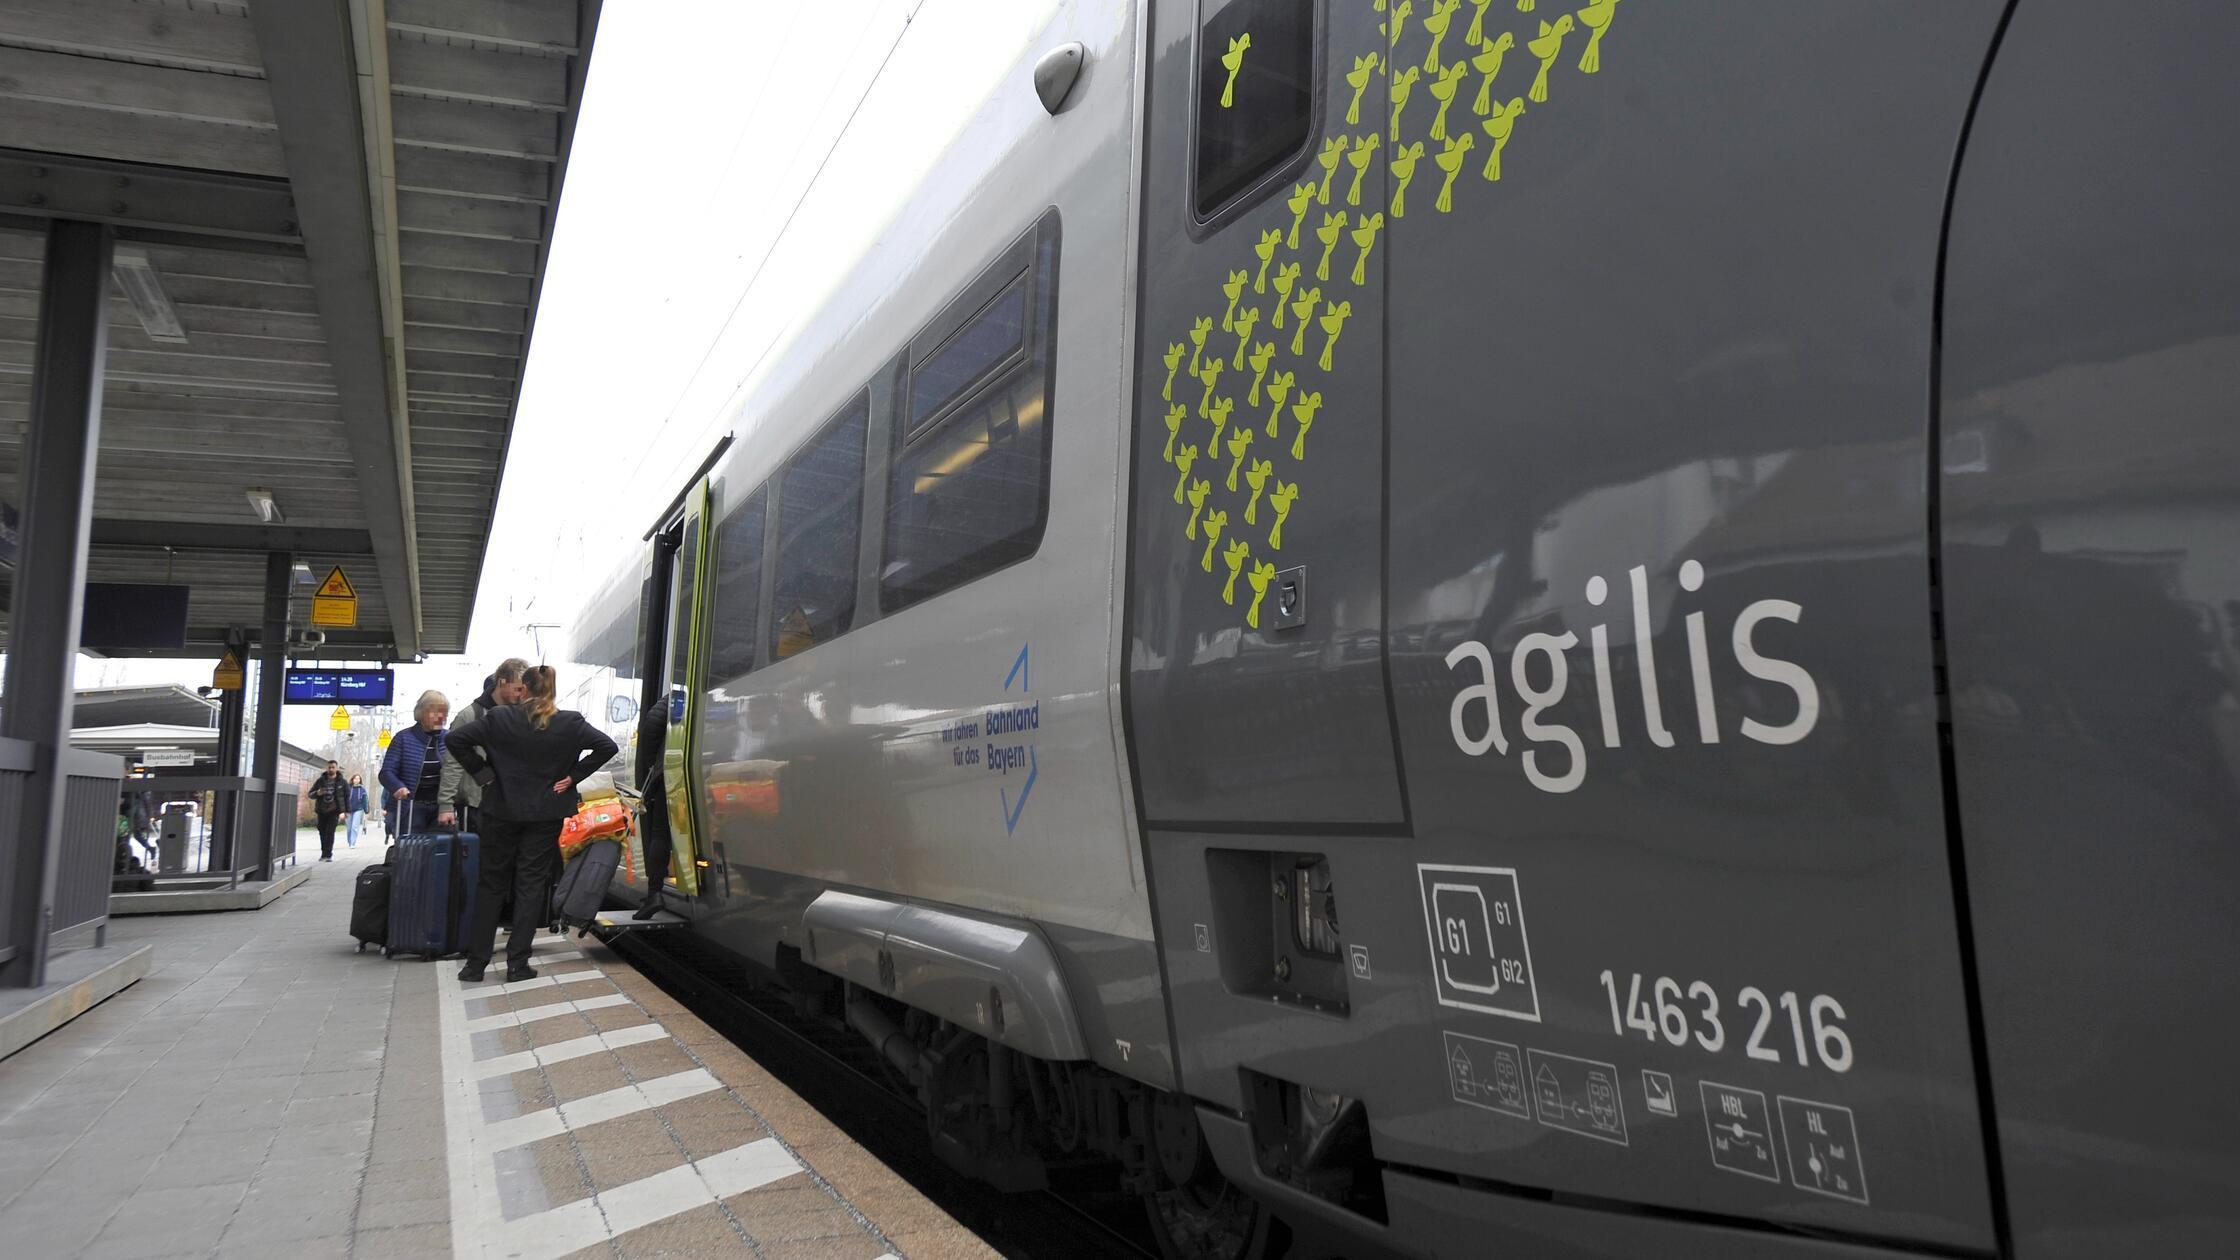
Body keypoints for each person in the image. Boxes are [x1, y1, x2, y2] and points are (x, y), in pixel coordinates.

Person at [446, 666, 617, 982]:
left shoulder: (499, 718)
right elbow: (608, 746)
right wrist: (573, 777)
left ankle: (475, 964)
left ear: (523, 689)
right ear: (552, 689)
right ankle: (517, 964)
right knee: (531, 885)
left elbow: (455, 740)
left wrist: (483, 774)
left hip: (500, 811)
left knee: (491, 884)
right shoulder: (570, 723)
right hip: (545, 814)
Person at [437, 658, 532, 832]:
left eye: (524, 690)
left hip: (511, 806)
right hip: (476, 805)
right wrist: (446, 805)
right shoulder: (470, 715)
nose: (521, 695)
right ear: (502, 682)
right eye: (518, 689)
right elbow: (453, 763)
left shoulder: (523, 716)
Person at [379, 691, 450, 837]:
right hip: (410, 807)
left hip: (441, 808)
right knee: (411, 848)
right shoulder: (403, 738)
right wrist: (398, 787)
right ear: (422, 713)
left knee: (440, 848)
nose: (440, 717)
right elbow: (386, 772)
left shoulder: (449, 739)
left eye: (443, 713)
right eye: (435, 713)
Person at [632, 698, 674, 920]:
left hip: (670, 772)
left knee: (660, 833)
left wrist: (652, 763)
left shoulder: (676, 694)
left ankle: (654, 893)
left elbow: (651, 724)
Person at [309, 760, 347, 862]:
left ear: (336, 768)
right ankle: (323, 853)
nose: (331, 769)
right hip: (322, 810)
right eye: (329, 767)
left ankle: (328, 854)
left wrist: (345, 811)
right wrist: (318, 793)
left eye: (333, 767)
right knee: (322, 832)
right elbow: (310, 794)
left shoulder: (342, 782)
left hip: (334, 811)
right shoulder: (320, 781)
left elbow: (346, 796)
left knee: (330, 832)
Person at [346, 775, 369, 848]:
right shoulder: (348, 788)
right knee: (349, 828)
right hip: (348, 810)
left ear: (360, 780)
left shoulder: (362, 790)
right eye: (355, 778)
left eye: (358, 779)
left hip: (358, 809)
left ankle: (353, 843)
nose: (357, 780)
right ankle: (349, 841)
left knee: (354, 826)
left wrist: (366, 811)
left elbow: (365, 801)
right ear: (352, 780)